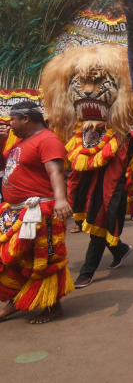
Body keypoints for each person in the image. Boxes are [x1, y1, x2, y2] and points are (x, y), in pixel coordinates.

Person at [0, 101, 74, 324]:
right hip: (14, 212)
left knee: (44, 258)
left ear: (26, 118)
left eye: (12, 120)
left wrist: (61, 200)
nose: (9, 124)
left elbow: (56, 171)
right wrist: (2, 142)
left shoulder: (48, 140)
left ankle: (53, 305)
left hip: (39, 211)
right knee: (17, 259)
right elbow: (5, 167)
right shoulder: (19, 142)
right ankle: (19, 299)